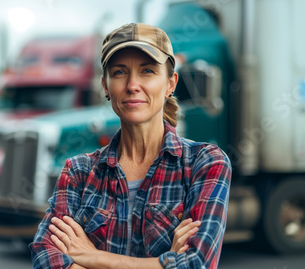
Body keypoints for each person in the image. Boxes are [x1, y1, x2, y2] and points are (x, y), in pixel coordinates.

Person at [30, 23, 232, 269]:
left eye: (147, 71)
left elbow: (195, 264)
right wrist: (163, 262)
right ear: (105, 86)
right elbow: (46, 257)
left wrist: (94, 257)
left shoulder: (206, 162)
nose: (132, 85)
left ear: (170, 83)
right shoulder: (78, 172)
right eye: (119, 72)